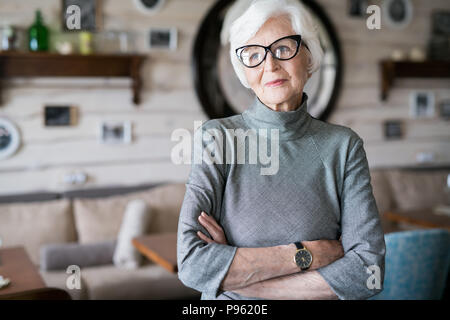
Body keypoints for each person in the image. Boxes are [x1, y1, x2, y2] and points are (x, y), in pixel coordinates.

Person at [177, 0, 385, 300]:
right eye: (253, 55)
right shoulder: (218, 138)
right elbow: (192, 264)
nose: (270, 65)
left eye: (284, 49)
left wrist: (240, 278)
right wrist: (308, 254)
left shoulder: (344, 146)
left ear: (309, 55)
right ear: (243, 71)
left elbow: (369, 271)